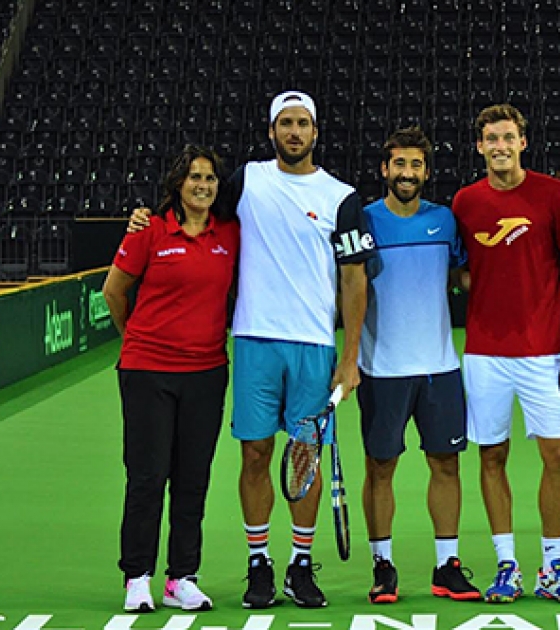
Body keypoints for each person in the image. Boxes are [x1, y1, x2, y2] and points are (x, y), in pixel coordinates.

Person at [128, 91, 374, 609]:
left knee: (304, 458)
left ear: (315, 131)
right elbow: (191, 208)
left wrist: (349, 357)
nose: (293, 132)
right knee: (256, 453)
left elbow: (355, 281)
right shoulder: (245, 181)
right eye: (285, 123)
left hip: (312, 347)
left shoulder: (342, 197)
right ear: (271, 132)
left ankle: (301, 567)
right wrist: (142, 219)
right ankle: (258, 564)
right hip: (255, 342)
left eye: (302, 123)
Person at [452, 104, 560, 604]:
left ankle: (553, 564)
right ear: (480, 146)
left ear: (522, 143)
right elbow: (461, 269)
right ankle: (506, 564)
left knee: (558, 454)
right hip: (485, 353)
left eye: (508, 137)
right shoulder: (465, 202)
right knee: (492, 455)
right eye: (491, 138)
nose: (500, 146)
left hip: (545, 352)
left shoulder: (552, 194)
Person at [103, 145, 240, 613]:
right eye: (194, 177)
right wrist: (137, 339)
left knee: (192, 479)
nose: (203, 185)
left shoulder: (230, 234)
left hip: (206, 373)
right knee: (147, 476)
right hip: (147, 374)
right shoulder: (151, 230)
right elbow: (114, 290)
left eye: (210, 178)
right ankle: (137, 576)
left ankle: (182, 577)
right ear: (178, 184)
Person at [359, 127, 481, 604]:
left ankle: (446, 566)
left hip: (439, 367)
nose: (407, 173)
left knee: (445, 464)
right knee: (381, 466)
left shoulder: (446, 221)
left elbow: (461, 276)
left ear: (427, 172)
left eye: (415, 165)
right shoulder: (363, 220)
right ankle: (383, 565)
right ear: (384, 169)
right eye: (399, 164)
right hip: (381, 368)